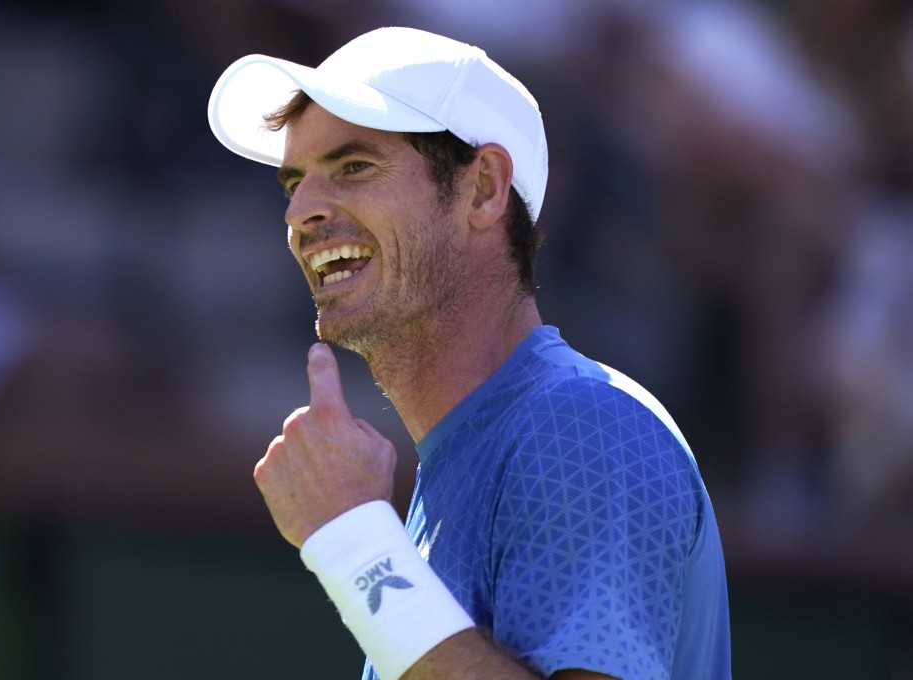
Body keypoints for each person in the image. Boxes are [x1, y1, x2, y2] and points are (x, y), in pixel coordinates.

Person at [207, 26, 731, 680]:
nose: (301, 212)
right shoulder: (471, 467)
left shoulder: (583, 426)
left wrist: (355, 544)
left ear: (483, 188)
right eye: (294, 183)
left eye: (353, 168)